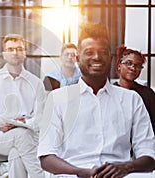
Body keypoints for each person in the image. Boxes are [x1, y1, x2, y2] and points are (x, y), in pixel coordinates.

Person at [38, 22, 155, 178]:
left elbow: (149, 155)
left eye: (103, 52)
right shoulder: (58, 99)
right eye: (89, 52)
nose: (97, 57)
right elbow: (46, 157)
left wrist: (126, 167)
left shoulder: (132, 99)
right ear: (78, 58)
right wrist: (80, 172)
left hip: (121, 175)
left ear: (111, 58)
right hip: (74, 174)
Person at [0, 33, 46, 178]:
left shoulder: (36, 83)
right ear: (4, 54)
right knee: (22, 136)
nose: (15, 52)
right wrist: (0, 123)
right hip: (0, 137)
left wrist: (25, 122)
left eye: (19, 48)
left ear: (25, 53)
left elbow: (40, 117)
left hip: (29, 136)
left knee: (17, 154)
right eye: (10, 49)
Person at [114, 45, 155, 134]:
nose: (133, 68)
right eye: (129, 63)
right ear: (119, 66)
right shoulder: (111, 93)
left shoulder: (148, 94)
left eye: (138, 65)